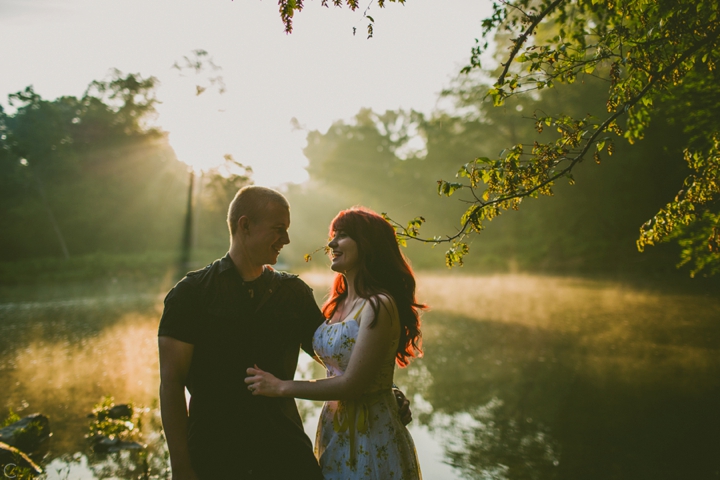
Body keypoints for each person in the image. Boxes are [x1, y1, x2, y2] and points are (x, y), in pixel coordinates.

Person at [158, 187, 410, 480]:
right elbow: (171, 384)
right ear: (245, 225)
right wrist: (181, 467)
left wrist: (382, 391)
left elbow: (335, 352)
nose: (287, 240)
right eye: (279, 229)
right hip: (215, 455)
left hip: (285, 454)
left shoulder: (293, 294)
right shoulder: (190, 294)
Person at [245, 206, 425, 480]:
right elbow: (346, 360)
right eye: (333, 235)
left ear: (367, 245)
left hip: (372, 433)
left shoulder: (379, 304)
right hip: (336, 430)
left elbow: (353, 383)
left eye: (342, 235)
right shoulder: (337, 305)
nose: (331, 243)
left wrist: (281, 386)